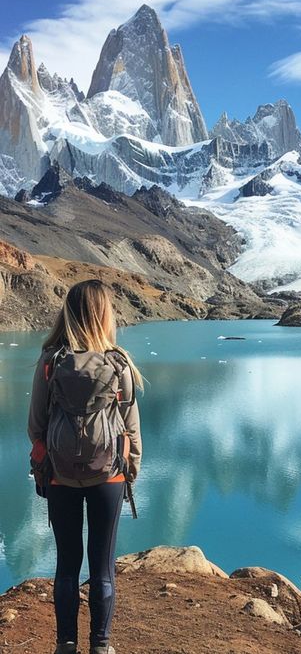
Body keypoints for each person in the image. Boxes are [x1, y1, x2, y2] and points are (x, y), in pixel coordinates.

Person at [27, 279, 143, 654]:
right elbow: (132, 428)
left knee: (66, 564)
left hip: (60, 474)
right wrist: (130, 473)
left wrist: (48, 465)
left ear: (68, 312)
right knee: (102, 568)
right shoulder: (118, 362)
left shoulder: (50, 361)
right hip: (108, 474)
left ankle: (65, 646)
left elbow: (35, 427)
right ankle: (101, 646)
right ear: (104, 314)